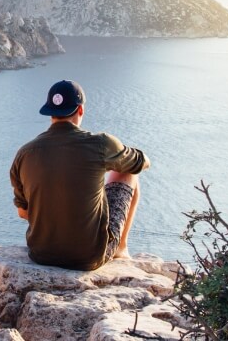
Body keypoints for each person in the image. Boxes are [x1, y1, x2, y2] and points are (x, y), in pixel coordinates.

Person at [9, 80, 150, 271]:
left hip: (41, 254)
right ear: (80, 110)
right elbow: (140, 163)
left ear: (50, 113)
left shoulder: (24, 153)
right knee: (128, 172)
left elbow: (23, 212)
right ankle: (120, 248)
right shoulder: (100, 144)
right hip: (88, 257)